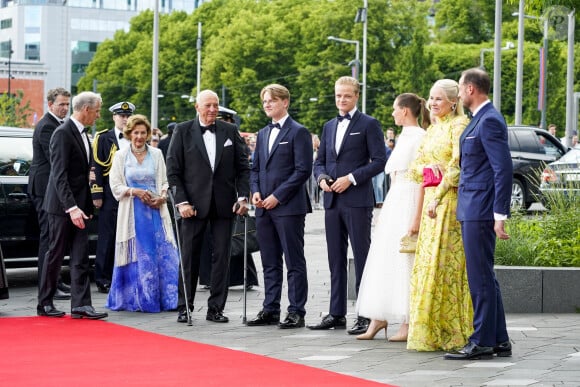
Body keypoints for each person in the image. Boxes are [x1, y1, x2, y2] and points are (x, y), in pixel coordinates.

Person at [445, 68, 513, 360]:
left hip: (481, 209)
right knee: (485, 275)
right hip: (473, 206)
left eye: (460, 88)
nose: (459, 93)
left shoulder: (489, 121)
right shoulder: (481, 120)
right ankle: (498, 340)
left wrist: (500, 214)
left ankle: (482, 340)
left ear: (471, 89)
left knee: (479, 277)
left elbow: (503, 169)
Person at [310, 76, 387, 334]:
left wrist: (351, 179)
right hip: (331, 200)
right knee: (335, 258)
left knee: (362, 256)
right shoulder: (329, 125)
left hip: (356, 200)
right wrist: (321, 178)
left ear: (356, 96)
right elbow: (319, 161)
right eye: (338, 96)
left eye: (346, 96)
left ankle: (366, 314)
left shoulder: (369, 124)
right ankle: (336, 313)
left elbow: (379, 162)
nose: (341, 100)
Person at [166, 89, 250, 324]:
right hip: (192, 205)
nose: (213, 109)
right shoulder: (182, 131)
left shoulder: (230, 131)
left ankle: (216, 308)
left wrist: (243, 197)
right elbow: (173, 171)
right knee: (189, 257)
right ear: (197, 107)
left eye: (215, 105)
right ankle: (185, 306)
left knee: (222, 257)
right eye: (208, 105)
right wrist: (181, 202)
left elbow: (243, 167)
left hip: (225, 205)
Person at [355, 93, 429, 341]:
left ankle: (408, 321)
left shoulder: (419, 137)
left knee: (404, 260)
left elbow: (420, 177)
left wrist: (416, 216)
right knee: (385, 255)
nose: (392, 113)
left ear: (405, 111)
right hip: (395, 198)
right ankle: (379, 317)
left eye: (395, 109)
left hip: (408, 199)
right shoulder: (404, 136)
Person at [406, 79, 473, 351]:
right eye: (431, 98)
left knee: (446, 267)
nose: (432, 104)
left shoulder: (459, 126)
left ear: (453, 102)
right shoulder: (433, 127)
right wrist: (431, 169)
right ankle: (430, 329)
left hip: (449, 203)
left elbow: (458, 167)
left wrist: (440, 178)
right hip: (432, 203)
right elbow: (415, 167)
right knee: (428, 266)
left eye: (438, 100)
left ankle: (452, 329)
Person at [37, 91, 108, 320]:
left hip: (81, 205)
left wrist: (84, 206)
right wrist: (71, 207)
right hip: (62, 207)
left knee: (80, 256)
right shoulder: (62, 133)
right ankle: (45, 303)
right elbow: (59, 175)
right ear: (86, 109)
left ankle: (81, 305)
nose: (98, 115)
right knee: (55, 254)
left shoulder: (83, 134)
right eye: (96, 111)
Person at [247, 84, 313, 329]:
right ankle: (270, 308)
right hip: (263, 207)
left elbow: (302, 170)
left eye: (272, 100)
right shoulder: (263, 133)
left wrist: (278, 195)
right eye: (265, 100)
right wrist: (255, 191)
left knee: (294, 260)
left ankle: (296, 310)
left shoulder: (299, 132)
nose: (267, 104)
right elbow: (255, 169)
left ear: (285, 102)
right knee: (269, 260)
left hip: (288, 207)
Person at [105, 114, 179, 312]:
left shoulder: (156, 154)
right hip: (131, 213)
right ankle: (135, 299)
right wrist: (134, 191)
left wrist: (162, 197)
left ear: (148, 134)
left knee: (160, 254)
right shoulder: (120, 156)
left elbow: (164, 182)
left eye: (143, 132)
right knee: (135, 255)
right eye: (136, 132)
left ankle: (162, 299)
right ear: (129, 133)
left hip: (154, 212)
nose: (139, 136)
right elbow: (115, 186)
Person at [28, 88, 72, 301]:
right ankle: (48, 285)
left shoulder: (58, 125)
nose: (65, 108)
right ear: (50, 104)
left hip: (52, 190)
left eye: (67, 104)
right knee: (48, 238)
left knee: (56, 238)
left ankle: (55, 280)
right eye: (61, 104)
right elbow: (57, 159)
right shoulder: (47, 127)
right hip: (45, 189)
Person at [91, 101, 135, 294]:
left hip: (132, 194)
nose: (124, 119)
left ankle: (124, 276)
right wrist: (97, 193)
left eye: (127, 116)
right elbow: (96, 167)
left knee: (128, 237)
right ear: (114, 117)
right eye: (121, 116)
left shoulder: (137, 136)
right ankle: (102, 278)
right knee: (107, 238)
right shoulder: (103, 138)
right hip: (110, 195)